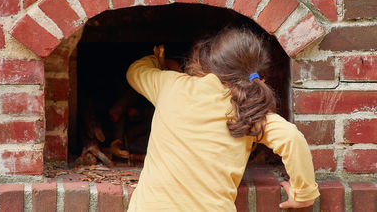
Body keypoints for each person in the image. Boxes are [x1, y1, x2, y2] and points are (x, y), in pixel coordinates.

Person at [126, 25, 320, 211]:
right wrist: (304, 194)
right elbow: (291, 138)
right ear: (260, 79)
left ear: (207, 62)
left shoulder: (171, 84)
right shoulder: (249, 110)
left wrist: (160, 62)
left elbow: (135, 71)